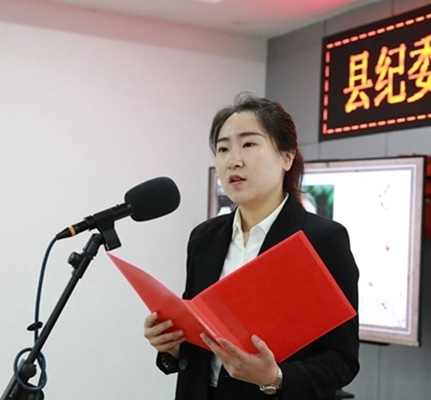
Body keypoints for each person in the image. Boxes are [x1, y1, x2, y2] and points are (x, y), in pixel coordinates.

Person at [143, 93, 360, 400]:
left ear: (286, 157)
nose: (233, 160)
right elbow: (197, 338)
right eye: (223, 148)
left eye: (248, 144)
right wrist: (172, 343)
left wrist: (275, 378)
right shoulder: (204, 238)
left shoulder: (322, 239)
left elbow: (342, 359)